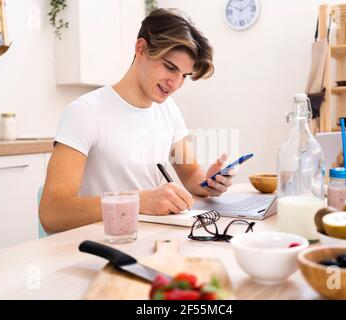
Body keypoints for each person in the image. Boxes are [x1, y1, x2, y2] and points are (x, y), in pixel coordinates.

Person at [39, 8, 236, 233]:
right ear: (140, 48)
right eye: (170, 67)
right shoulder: (85, 112)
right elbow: (52, 213)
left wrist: (210, 182)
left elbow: (190, 175)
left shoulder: (168, 110)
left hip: (151, 240)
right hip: (104, 245)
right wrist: (138, 201)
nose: (175, 84)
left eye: (184, 75)